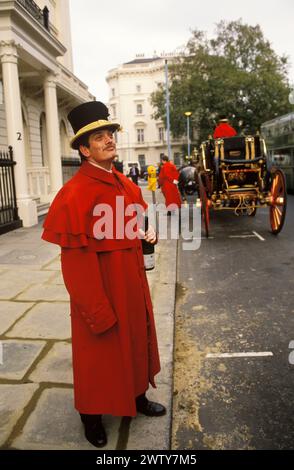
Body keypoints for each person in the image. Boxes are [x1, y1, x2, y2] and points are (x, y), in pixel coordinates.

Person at [41, 101, 165, 448]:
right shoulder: (73, 195)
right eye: (99, 137)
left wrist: (146, 235)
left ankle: (137, 397)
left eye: (109, 133)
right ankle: (91, 417)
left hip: (132, 284)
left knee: (137, 341)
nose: (109, 139)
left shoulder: (127, 184)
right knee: (98, 356)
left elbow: (134, 227)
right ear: (84, 148)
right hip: (101, 292)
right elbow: (76, 265)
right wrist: (95, 309)